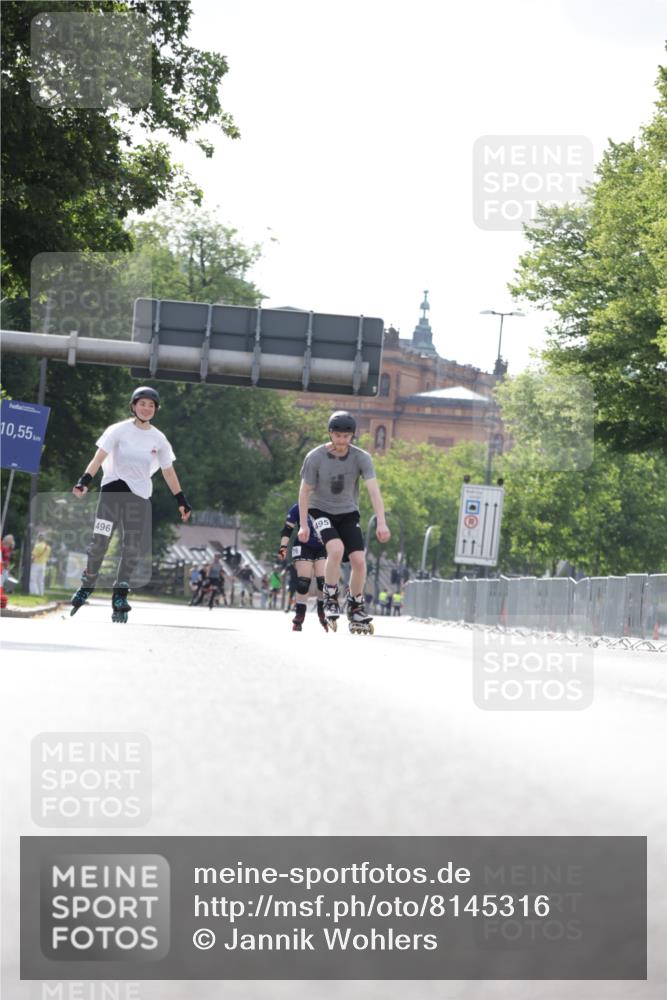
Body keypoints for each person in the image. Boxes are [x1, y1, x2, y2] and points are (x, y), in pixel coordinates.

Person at [70, 386, 191, 622]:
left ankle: (120, 594)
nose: (146, 408)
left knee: (132, 546)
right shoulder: (118, 430)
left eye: (151, 405)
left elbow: (168, 472)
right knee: (99, 542)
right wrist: (84, 481)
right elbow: (98, 458)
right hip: (112, 494)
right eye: (142, 404)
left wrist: (181, 500)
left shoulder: (159, 438)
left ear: (155, 410)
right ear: (133, 406)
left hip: (139, 497)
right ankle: (88, 582)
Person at [298, 410, 390, 630]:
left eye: (346, 437)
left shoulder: (361, 458)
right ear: (330, 434)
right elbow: (304, 491)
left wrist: (382, 521)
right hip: (321, 511)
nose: (341, 441)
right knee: (336, 550)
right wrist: (303, 524)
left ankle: (356, 607)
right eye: (338, 436)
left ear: (352, 436)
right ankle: (330, 597)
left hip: (348, 512)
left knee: (359, 560)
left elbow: (373, 491)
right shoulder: (316, 457)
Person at [277, 501, 328, 632]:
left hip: (322, 546)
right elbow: (287, 529)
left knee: (322, 581)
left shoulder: (328, 504)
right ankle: (300, 614)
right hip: (303, 545)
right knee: (303, 582)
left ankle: (321, 610)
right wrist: (283, 548)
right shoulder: (298, 507)